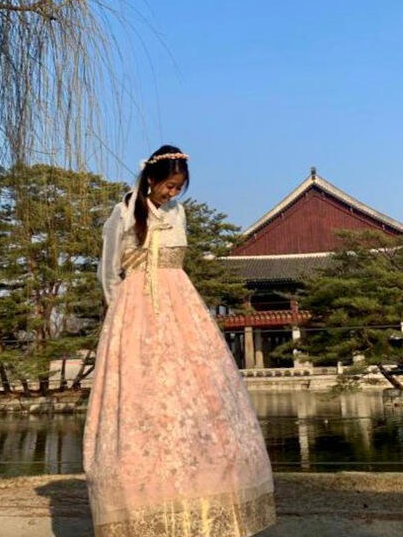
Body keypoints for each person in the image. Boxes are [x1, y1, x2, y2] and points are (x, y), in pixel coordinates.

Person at [83, 145, 275, 537]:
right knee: (144, 400)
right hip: (136, 310)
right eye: (170, 185)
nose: (173, 193)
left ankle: (207, 494)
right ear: (152, 179)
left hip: (182, 308)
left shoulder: (178, 213)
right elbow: (107, 274)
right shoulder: (122, 214)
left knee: (202, 396)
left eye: (179, 187)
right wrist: (123, 317)